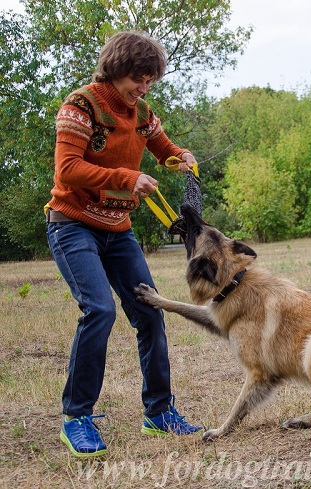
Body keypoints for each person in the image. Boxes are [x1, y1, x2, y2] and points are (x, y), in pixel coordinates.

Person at [45, 31, 202, 458]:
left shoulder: (142, 111)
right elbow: (68, 171)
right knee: (99, 309)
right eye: (139, 78)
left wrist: (180, 157)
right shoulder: (81, 106)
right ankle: (76, 418)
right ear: (116, 69)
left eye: (150, 80)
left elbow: (163, 149)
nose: (144, 88)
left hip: (118, 229)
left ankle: (159, 413)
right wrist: (127, 178)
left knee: (151, 312)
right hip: (72, 224)